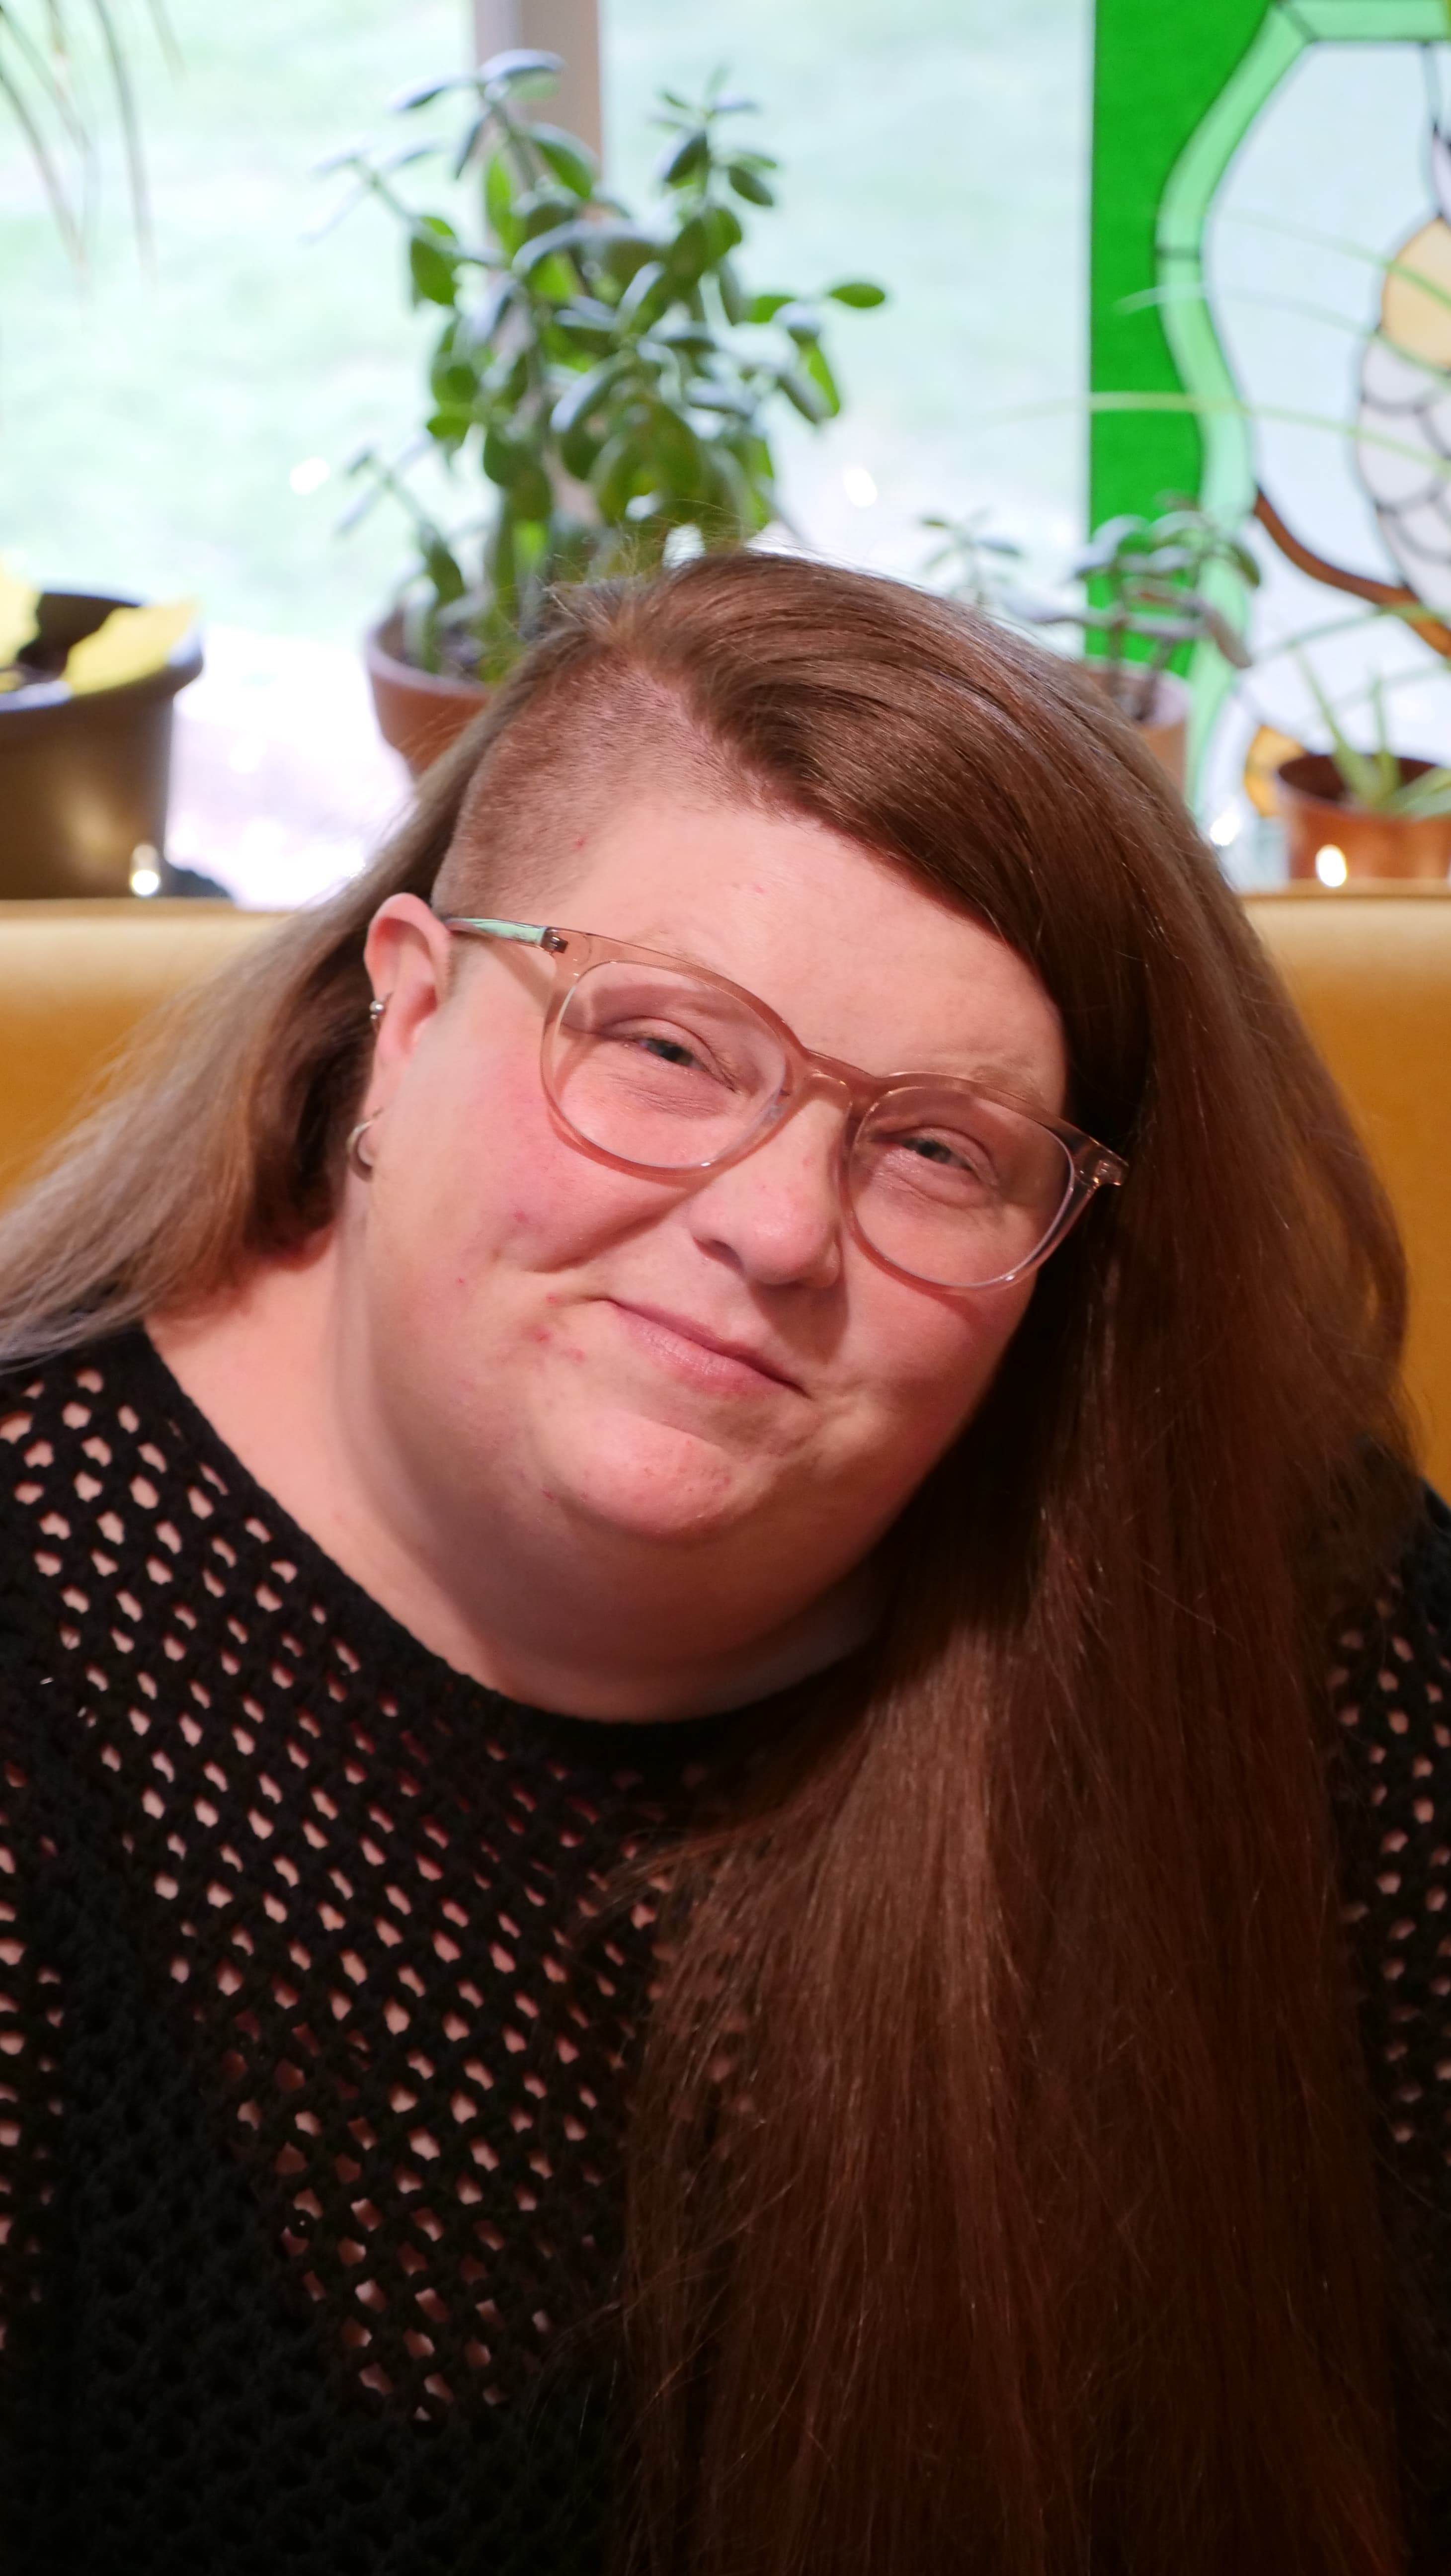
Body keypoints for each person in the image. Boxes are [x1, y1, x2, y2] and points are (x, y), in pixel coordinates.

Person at [0, 550, 1446, 2576]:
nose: (776, 1228)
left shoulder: (1292, 1626)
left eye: (939, 1147)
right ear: (403, 1017)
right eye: (666, 1048)